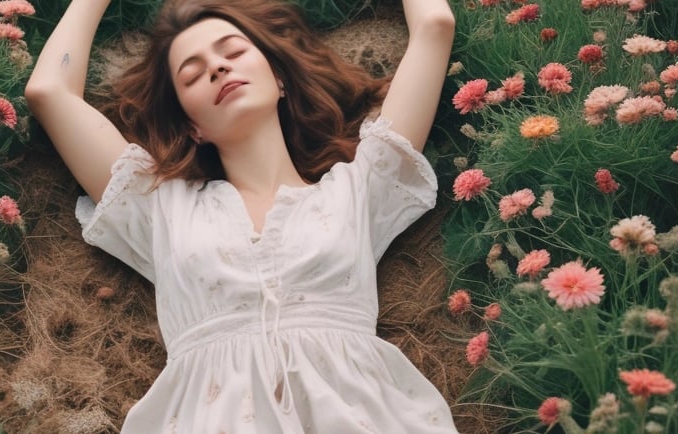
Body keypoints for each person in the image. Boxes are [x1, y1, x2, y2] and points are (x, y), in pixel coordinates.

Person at [24, 0, 457, 431]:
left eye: (232, 52)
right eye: (192, 75)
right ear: (194, 127)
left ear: (280, 79)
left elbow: (435, 24)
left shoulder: (361, 187)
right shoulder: (160, 207)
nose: (216, 68)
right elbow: (49, 92)